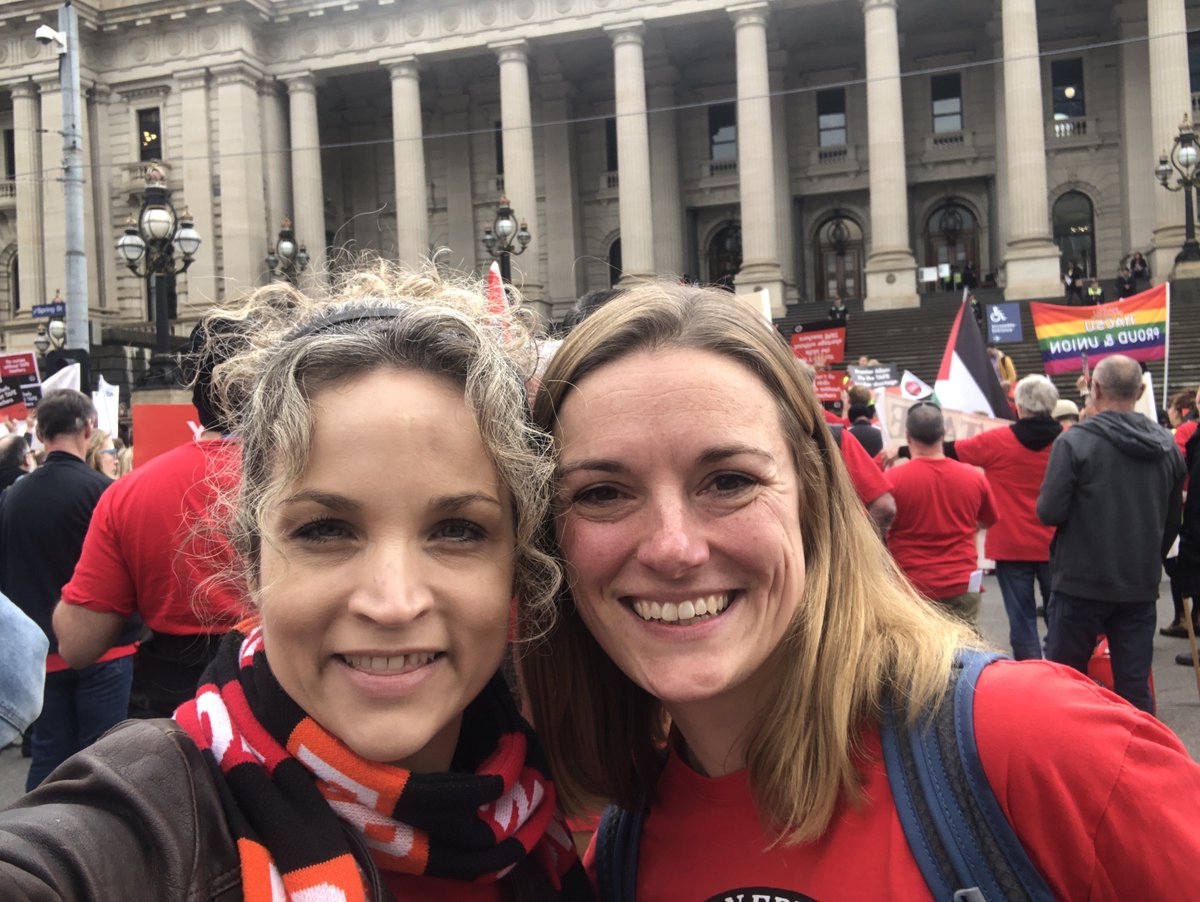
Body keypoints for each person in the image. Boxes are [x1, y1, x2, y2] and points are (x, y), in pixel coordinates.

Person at [522, 282, 1200, 899]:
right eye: (604, 493)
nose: (673, 548)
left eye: (728, 481)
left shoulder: (1039, 746)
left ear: (813, 498)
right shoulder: (618, 856)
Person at [0, 268, 593, 900]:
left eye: (457, 530)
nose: (392, 603)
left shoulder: (544, 812)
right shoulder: (149, 822)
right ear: (253, 565)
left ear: (518, 567)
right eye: (325, 530)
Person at [53, 317, 251, 719]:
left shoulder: (128, 493)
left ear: (192, 384)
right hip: (295, 709)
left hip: (177, 712)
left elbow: (77, 644)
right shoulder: (309, 477)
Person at [0, 390, 136, 791]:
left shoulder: (12, 498)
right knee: (104, 759)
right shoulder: (106, 494)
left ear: (39, 433)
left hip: (40, 655)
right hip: (105, 648)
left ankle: (31, 845)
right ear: (89, 428)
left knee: (48, 759)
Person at [1038, 354, 1185, 713]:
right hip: (1138, 582)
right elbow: (1173, 520)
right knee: (1134, 686)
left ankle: (1069, 757)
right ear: (1140, 390)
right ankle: (1143, 760)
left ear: (1095, 388)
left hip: (1079, 582)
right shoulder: (1167, 445)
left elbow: (1049, 511)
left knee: (1064, 682)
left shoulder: (1074, 443)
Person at [950, 375, 1061, 659]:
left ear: (1018, 406)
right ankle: (1061, 670)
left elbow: (952, 451)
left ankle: (1032, 674)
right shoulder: (1069, 440)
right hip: (1057, 542)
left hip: (1011, 543)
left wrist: (901, 449)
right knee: (1060, 616)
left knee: (1021, 618)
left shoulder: (997, 440)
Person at [886, 403, 997, 625]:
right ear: (943, 435)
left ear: (908, 438)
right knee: (965, 653)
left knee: (919, 654)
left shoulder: (892, 480)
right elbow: (987, 520)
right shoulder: (973, 477)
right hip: (962, 582)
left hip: (912, 585)